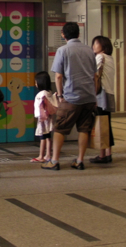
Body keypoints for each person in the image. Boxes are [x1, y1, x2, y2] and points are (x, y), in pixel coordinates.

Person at [42, 22, 97, 171]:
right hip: (89, 97)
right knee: (84, 129)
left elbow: (58, 76)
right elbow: (95, 76)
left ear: (63, 34)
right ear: (78, 34)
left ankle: (54, 161)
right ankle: (79, 160)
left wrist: (60, 95)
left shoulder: (63, 50)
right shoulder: (89, 50)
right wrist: (94, 95)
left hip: (71, 96)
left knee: (60, 128)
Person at [90, 36, 116, 163]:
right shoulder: (110, 58)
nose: (93, 46)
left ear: (103, 45)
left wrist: (92, 94)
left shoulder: (100, 57)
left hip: (101, 94)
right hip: (109, 93)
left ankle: (102, 155)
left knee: (101, 123)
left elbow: (94, 75)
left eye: (96, 43)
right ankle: (108, 153)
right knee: (106, 123)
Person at [32, 71, 55, 163]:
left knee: (42, 137)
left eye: (36, 82)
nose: (35, 84)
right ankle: (48, 155)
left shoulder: (41, 94)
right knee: (48, 136)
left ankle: (41, 156)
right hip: (48, 118)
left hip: (42, 118)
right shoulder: (49, 92)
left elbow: (41, 106)